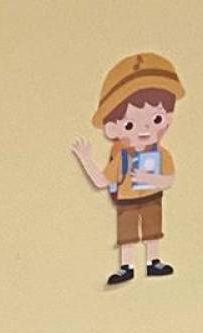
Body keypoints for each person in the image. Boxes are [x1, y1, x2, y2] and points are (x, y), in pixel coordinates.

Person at [72, 51, 183, 287]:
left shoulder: (161, 155)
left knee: (153, 230)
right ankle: (127, 266)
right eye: (130, 124)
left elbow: (169, 179)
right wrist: (85, 158)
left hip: (152, 198)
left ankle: (153, 261)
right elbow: (101, 181)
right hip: (127, 202)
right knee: (128, 234)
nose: (144, 130)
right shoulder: (122, 157)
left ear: (168, 118)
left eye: (155, 120)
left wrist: (151, 179)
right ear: (113, 128)